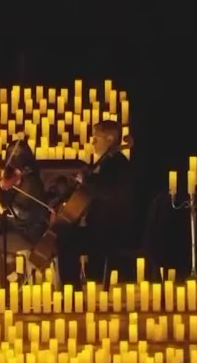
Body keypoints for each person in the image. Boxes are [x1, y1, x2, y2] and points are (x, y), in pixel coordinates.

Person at [55, 120, 135, 285]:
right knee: (65, 236)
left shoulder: (118, 164)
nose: (92, 142)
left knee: (66, 240)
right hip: (99, 227)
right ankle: (72, 289)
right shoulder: (108, 163)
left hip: (109, 229)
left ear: (110, 139)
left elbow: (110, 192)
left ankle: (72, 291)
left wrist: (87, 181)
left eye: (96, 138)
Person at [0, 139, 51, 285]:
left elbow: (23, 216)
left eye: (16, 157)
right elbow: (5, 201)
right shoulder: (12, 179)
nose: (12, 163)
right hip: (12, 230)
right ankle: (6, 275)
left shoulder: (31, 182)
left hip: (28, 233)